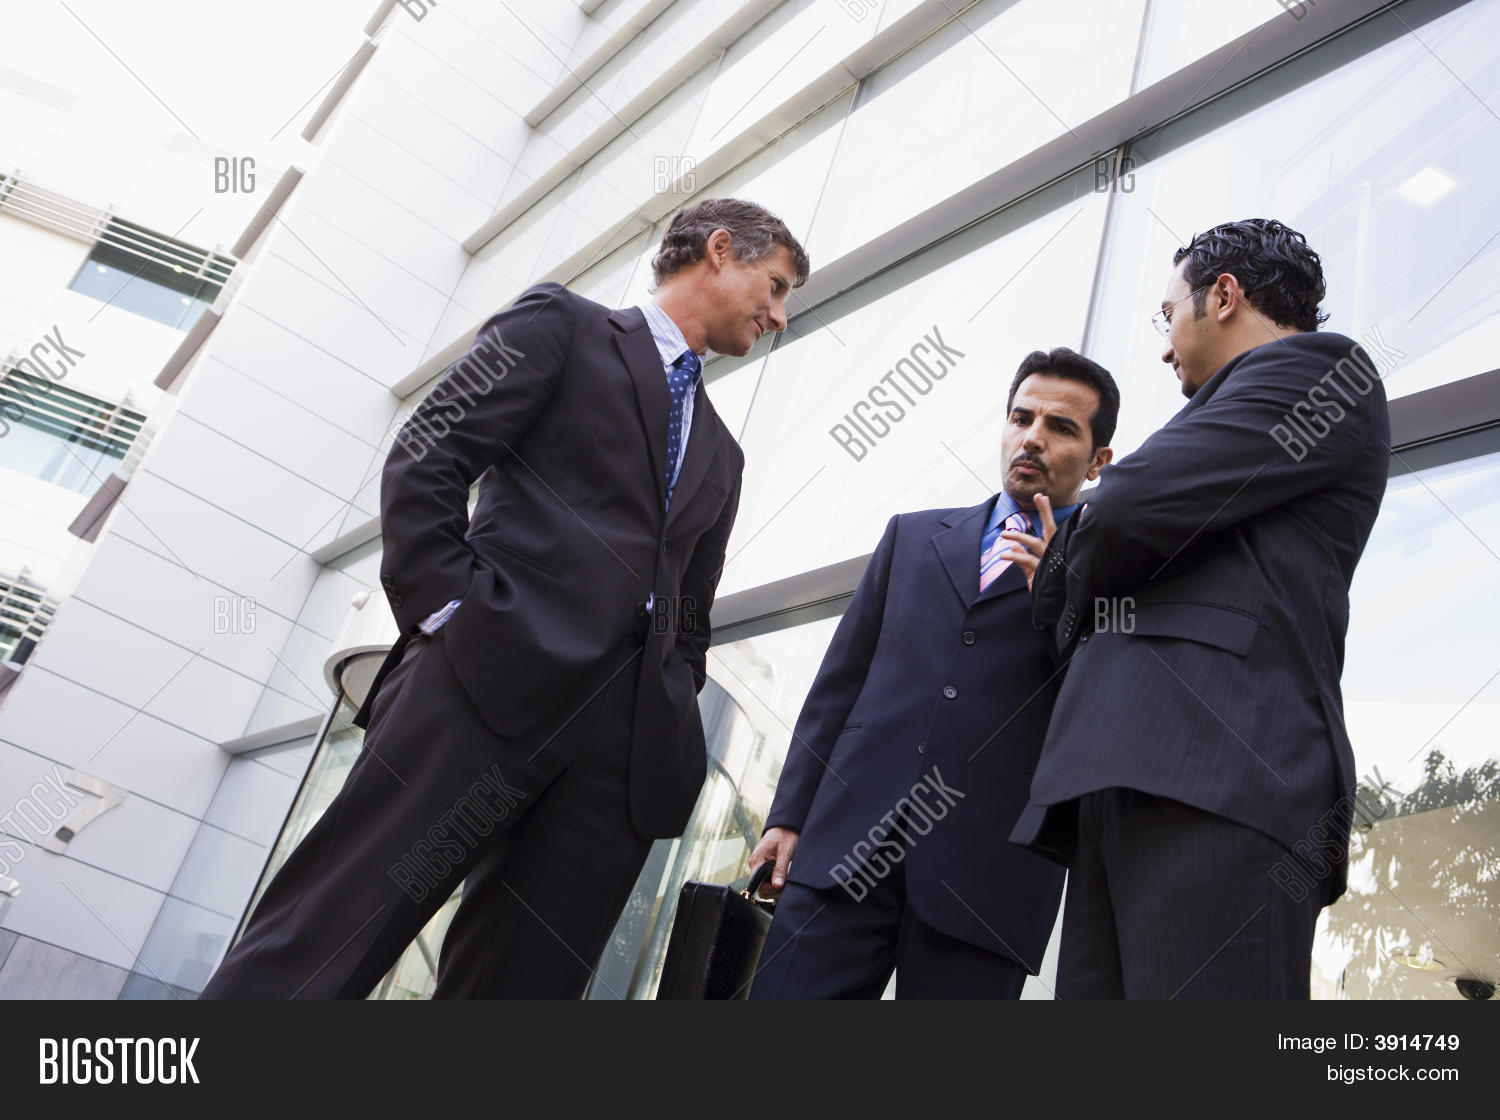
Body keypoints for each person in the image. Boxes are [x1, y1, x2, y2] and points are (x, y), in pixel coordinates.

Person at [202, 198, 809, 999]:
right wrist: (452, 618)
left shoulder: (723, 454)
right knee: (323, 942)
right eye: (774, 286)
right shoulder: (562, 326)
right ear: (721, 251)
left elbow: (692, 605)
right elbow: (427, 458)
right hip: (479, 690)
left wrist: (671, 687)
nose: (779, 315)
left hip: (616, 759)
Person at [1008, 218, 1390, 999]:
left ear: (1223, 296)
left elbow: (1129, 507)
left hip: (1219, 775)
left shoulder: (1322, 372)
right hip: (1128, 779)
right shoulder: (1231, 421)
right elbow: (1114, 532)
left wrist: (1073, 552)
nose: (1163, 343)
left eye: (1168, 313)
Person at [747, 348, 1118, 999]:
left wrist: (1058, 597)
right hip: (842, 852)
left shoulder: (1111, 569)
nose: (1033, 436)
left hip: (988, 882)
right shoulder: (911, 538)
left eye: (1061, 427)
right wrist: (788, 817)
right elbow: (839, 687)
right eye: (1021, 416)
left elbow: (1109, 708)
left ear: (1098, 461)